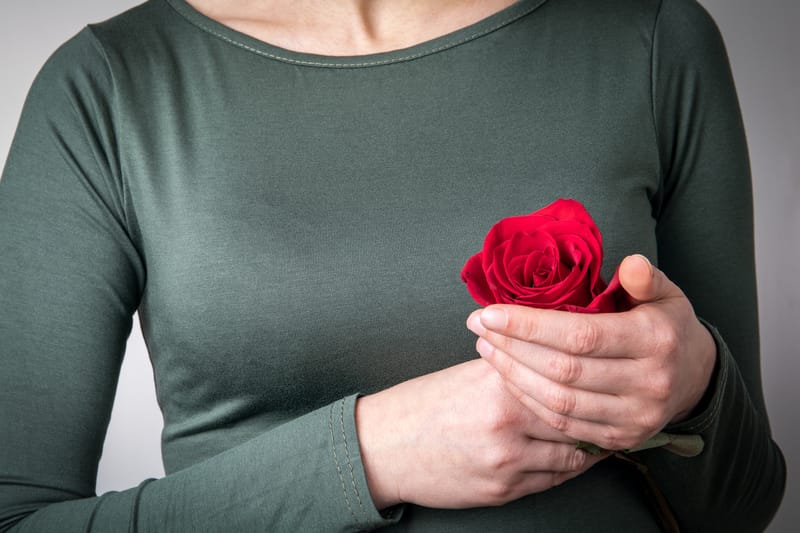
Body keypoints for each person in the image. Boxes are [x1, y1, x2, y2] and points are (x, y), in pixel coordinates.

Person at [0, 0, 786, 531]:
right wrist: (373, 453)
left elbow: (743, 507)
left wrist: (695, 388)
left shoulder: (653, 39)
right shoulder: (108, 88)